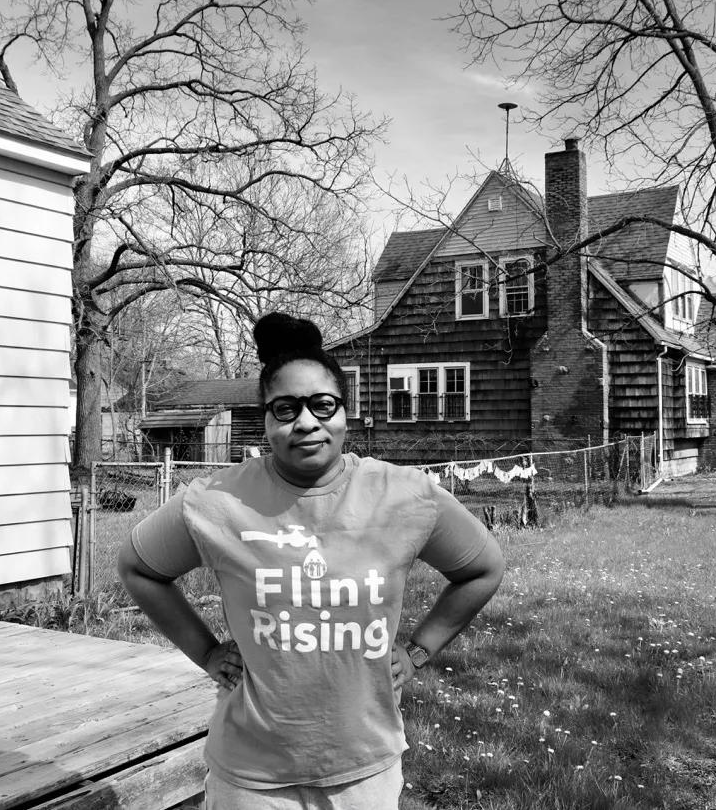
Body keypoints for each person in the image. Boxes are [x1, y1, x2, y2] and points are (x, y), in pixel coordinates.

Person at [118, 312, 504, 809]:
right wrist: (207, 653)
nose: (306, 422)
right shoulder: (217, 501)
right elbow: (138, 567)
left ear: (346, 412)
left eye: (323, 405)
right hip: (251, 777)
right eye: (285, 409)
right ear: (266, 419)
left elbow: (482, 568)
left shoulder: (405, 496)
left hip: (364, 772)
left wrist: (418, 651)